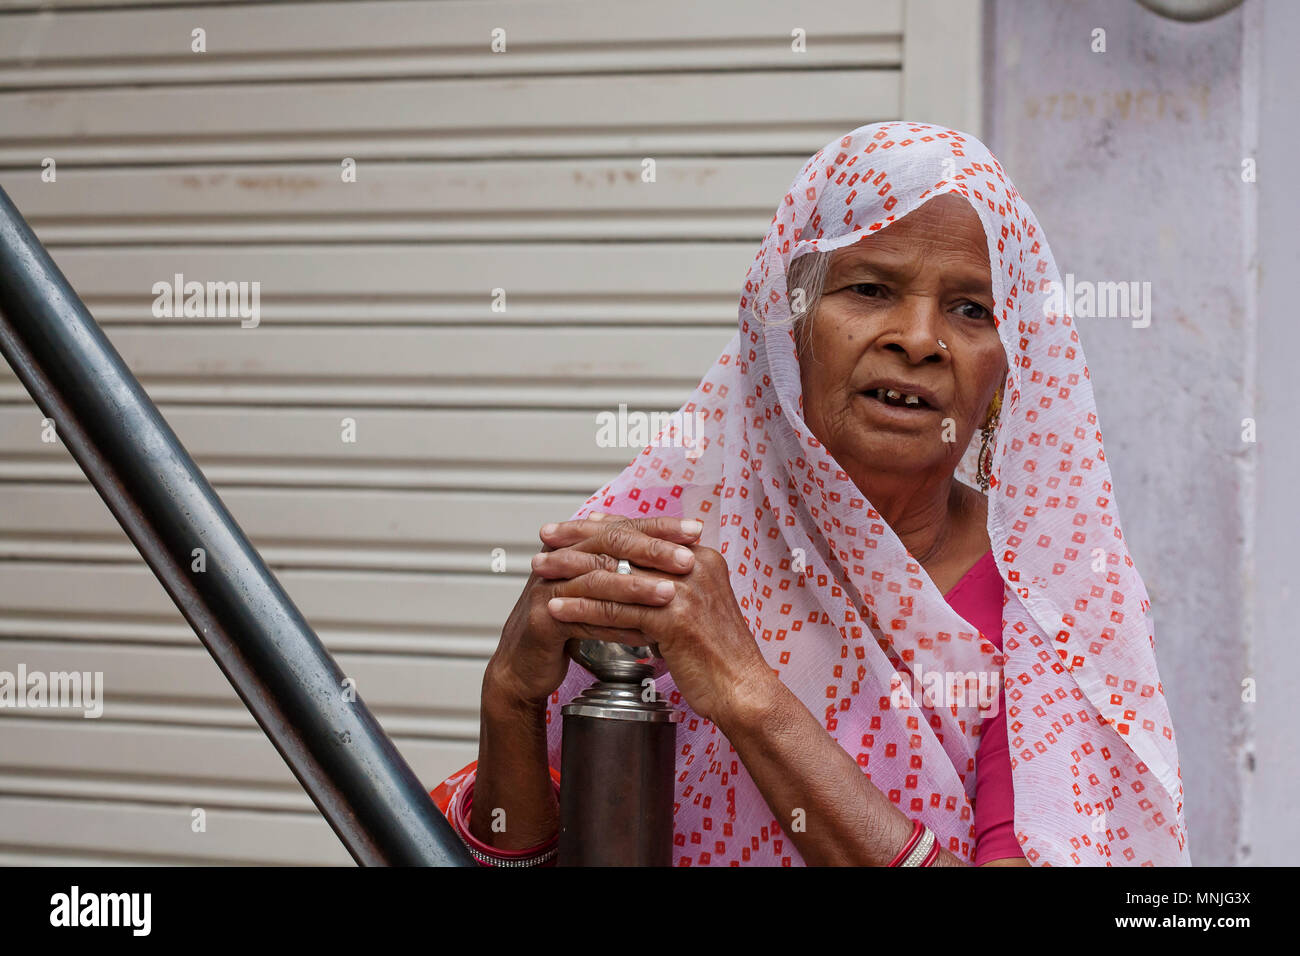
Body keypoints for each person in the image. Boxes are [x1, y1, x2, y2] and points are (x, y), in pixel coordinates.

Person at [429, 121, 1190, 867]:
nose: (919, 338)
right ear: (787, 329)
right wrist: (510, 701)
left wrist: (749, 694)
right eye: (870, 288)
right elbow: (532, 852)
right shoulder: (671, 545)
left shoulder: (1053, 598)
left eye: (971, 309)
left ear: (1007, 372)